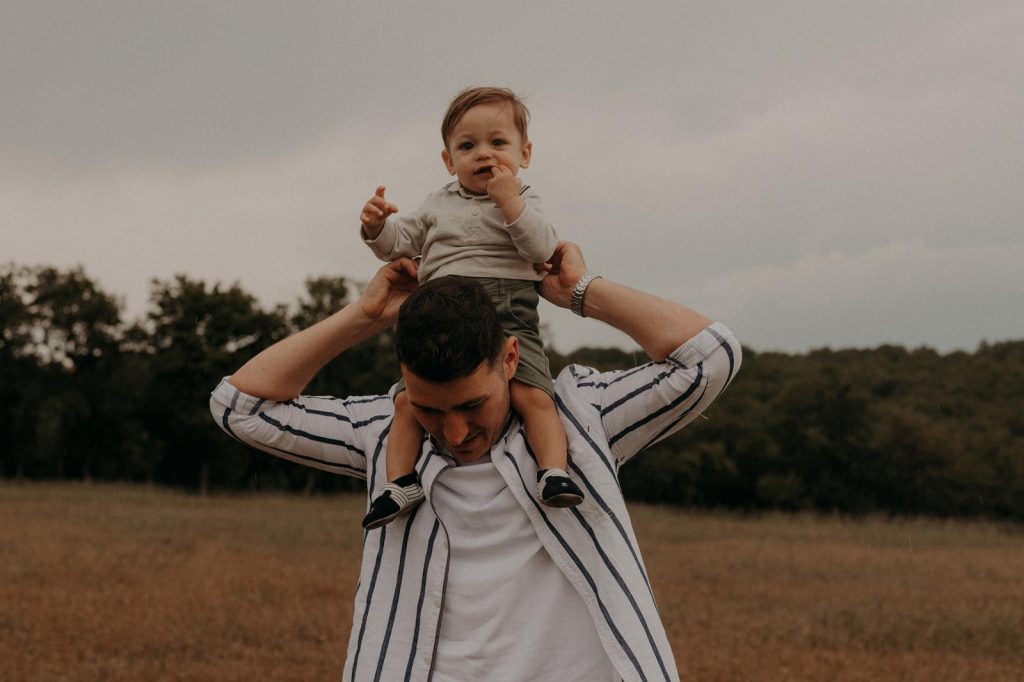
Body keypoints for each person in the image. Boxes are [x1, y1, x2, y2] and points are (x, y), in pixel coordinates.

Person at [210, 241, 741, 681]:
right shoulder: (383, 431)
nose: (456, 433)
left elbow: (710, 356)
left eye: (471, 405)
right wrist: (364, 317)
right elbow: (240, 407)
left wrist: (579, 292)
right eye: (430, 410)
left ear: (510, 358)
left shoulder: (581, 417)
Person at [358, 86, 582, 529]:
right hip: (443, 310)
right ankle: (399, 481)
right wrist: (377, 227)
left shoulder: (525, 200)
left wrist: (509, 199)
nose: (484, 154)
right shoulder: (437, 204)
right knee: (407, 403)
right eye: (467, 146)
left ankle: (553, 472)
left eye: (498, 143)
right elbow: (398, 245)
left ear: (525, 153)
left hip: (509, 308)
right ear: (448, 160)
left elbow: (540, 245)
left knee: (533, 394)